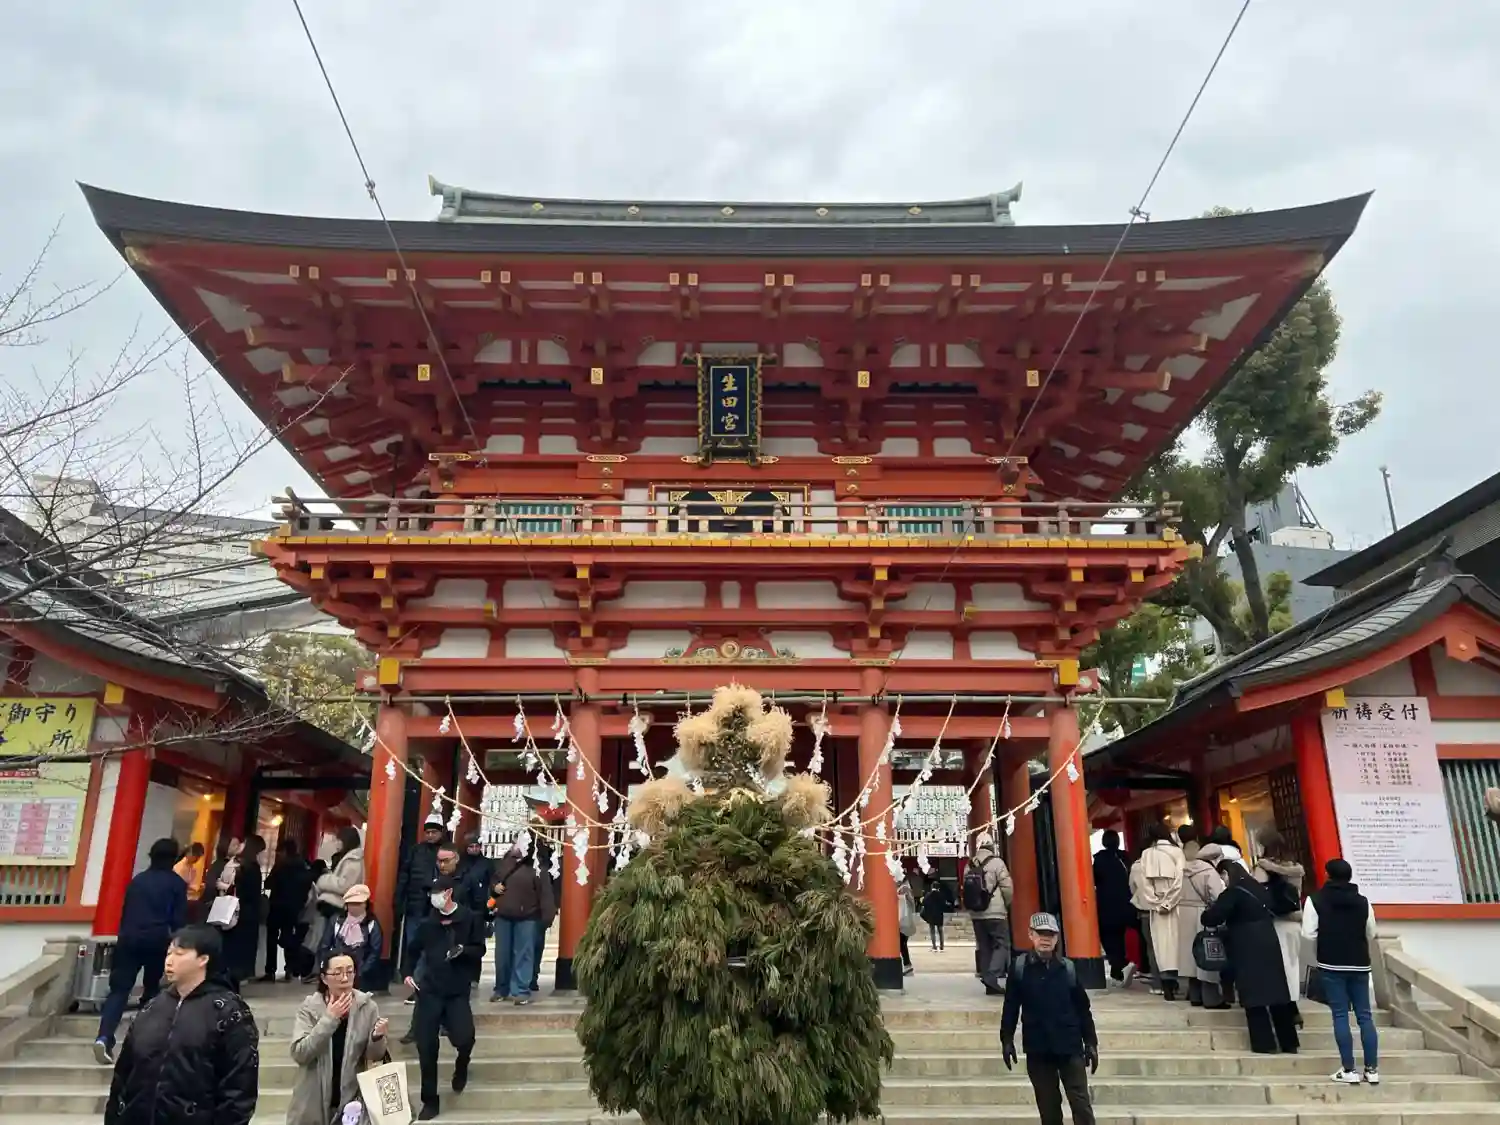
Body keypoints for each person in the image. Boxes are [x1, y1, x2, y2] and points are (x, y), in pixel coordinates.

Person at [103, 924, 259, 1125]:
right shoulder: (153, 1008)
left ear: (203, 959)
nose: (169, 960)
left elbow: (239, 1091)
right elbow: (123, 1076)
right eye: (169, 953)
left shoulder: (228, 1012)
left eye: (179, 953)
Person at [93, 838, 189, 1064]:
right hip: (157, 940)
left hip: (129, 939)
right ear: (174, 858)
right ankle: (144, 1044)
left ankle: (104, 1037)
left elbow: (126, 911)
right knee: (152, 990)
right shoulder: (176, 884)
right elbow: (178, 920)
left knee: (119, 991)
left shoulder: (137, 881)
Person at [1000, 912, 1098, 1125]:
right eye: (1041, 933)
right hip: (1038, 1047)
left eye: (1050, 934)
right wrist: (1006, 1039)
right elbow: (1011, 1007)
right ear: (1031, 935)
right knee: (1049, 1108)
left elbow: (1083, 1009)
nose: (1045, 939)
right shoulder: (1019, 968)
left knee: (1081, 1105)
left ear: (1057, 938)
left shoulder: (1068, 968)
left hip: (1070, 1045)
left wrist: (1091, 1042)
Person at [406, 875, 484, 1120]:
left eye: (436, 892)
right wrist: (408, 973)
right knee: (426, 1046)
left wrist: (464, 950)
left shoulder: (469, 918)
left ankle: (462, 1063)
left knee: (465, 1037)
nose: (433, 897)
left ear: (448, 893)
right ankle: (430, 1100)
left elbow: (479, 949)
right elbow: (412, 950)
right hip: (429, 991)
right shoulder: (428, 922)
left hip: (456, 991)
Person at [1202, 860, 1300, 1054]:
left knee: (1254, 995)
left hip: (1245, 943)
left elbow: (1214, 917)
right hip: (1269, 940)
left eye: (1222, 877)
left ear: (1226, 873)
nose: (1223, 881)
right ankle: (1289, 1042)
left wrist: (1207, 913)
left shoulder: (1233, 892)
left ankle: (1264, 1044)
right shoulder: (1259, 888)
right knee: (1277, 993)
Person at [287, 948, 390, 1125]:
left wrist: (377, 1037)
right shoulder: (310, 1008)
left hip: (352, 1104)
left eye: (349, 972)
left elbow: (374, 1057)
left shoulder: (367, 1007)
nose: (344, 978)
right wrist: (330, 1018)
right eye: (337, 973)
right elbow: (300, 1053)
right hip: (312, 1101)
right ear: (324, 978)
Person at [1302, 858, 1380, 1085]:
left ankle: (1349, 1069)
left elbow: (1308, 933)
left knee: (1340, 1014)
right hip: (1359, 963)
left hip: (1331, 963)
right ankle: (1372, 1069)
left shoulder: (1315, 900)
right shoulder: (1363, 901)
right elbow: (1371, 932)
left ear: (1327, 875)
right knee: (1365, 1015)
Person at [490, 845, 557, 1003]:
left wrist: (547, 917)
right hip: (503, 915)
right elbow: (492, 882)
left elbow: (545, 894)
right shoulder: (503, 864)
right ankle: (501, 988)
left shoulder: (537, 867)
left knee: (524, 954)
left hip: (528, 917)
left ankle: (521, 990)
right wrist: (494, 888)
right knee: (502, 955)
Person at [1252, 828, 1306, 1011]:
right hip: (1295, 920)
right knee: (1292, 964)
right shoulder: (1296, 867)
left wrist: (1269, 867)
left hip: (1276, 921)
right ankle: (1293, 1003)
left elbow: (1258, 893)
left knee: (1279, 965)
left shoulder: (1263, 867)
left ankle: (1285, 1005)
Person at [397, 815, 447, 991]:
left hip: (437, 907)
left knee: (432, 947)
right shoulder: (415, 851)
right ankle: (415, 981)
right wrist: (399, 899)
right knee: (414, 945)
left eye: (434, 832)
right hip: (415, 905)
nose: (430, 835)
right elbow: (404, 876)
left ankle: (424, 982)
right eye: (428, 832)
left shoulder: (446, 851)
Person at [1177, 840, 1228, 1008]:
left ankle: (1195, 995)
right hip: (1203, 913)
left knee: (1190, 955)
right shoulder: (1208, 871)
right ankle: (1211, 998)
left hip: (1183, 913)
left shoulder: (1179, 870)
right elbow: (1217, 895)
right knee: (1207, 953)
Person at [1137, 822, 1185, 1000]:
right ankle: (1179, 981)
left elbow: (1144, 884)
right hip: (1176, 904)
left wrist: (1156, 903)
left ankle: (1166, 985)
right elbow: (1180, 880)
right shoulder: (1177, 852)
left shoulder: (1146, 854)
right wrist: (1169, 902)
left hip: (1156, 906)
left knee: (1161, 946)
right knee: (1178, 943)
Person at [963, 832, 1014, 996]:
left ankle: (988, 981)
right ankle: (992, 975)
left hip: (977, 914)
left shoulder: (969, 864)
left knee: (984, 946)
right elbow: (1007, 887)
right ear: (991, 846)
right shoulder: (997, 863)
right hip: (995, 912)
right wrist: (1006, 904)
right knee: (1002, 944)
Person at [264, 837, 315, 982]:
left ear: (285, 851)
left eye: (279, 852)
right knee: (289, 938)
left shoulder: (280, 866)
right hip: (293, 909)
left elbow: (268, 884)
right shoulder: (303, 866)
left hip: (277, 906)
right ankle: (290, 969)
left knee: (272, 938)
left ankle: (270, 970)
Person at [316, 883, 385, 990]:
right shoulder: (336, 921)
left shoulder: (371, 924)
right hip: (336, 970)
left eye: (358, 904)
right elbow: (325, 945)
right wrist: (325, 967)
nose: (354, 907)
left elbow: (375, 951)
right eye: (351, 904)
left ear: (365, 905)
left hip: (360, 974)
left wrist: (361, 971)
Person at [221, 834, 267, 986]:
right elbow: (252, 894)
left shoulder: (235, 864)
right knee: (243, 950)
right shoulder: (252, 868)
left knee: (232, 948)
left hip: (231, 911)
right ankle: (237, 979)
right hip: (247, 913)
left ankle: (229, 977)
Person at [311, 827, 365, 958]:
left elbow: (345, 885)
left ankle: (322, 967)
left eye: (339, 840)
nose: (337, 843)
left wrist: (324, 880)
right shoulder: (349, 858)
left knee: (325, 943)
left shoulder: (353, 860)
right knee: (323, 942)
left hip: (337, 907)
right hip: (335, 907)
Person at [1092, 829, 1135, 986]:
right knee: (1121, 937)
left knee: (1109, 938)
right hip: (1126, 903)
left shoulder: (1100, 860)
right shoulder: (1125, 858)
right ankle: (1120, 969)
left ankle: (1119, 967)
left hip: (1106, 905)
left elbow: (1093, 880)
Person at [456, 832, 494, 915]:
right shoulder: (460, 863)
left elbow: (492, 883)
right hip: (462, 903)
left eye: (477, 846)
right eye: (471, 846)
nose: (474, 849)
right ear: (466, 848)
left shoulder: (487, 863)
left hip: (480, 904)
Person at [897, 869, 918, 976]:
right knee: (902, 944)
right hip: (904, 920)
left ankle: (907, 965)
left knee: (901, 944)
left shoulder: (904, 889)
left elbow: (911, 903)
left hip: (902, 920)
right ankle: (907, 965)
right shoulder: (906, 889)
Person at [921, 875, 948, 951]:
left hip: (931, 915)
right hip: (939, 915)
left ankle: (934, 946)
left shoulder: (928, 895)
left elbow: (924, 903)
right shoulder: (941, 895)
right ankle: (942, 946)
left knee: (932, 931)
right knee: (940, 931)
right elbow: (944, 905)